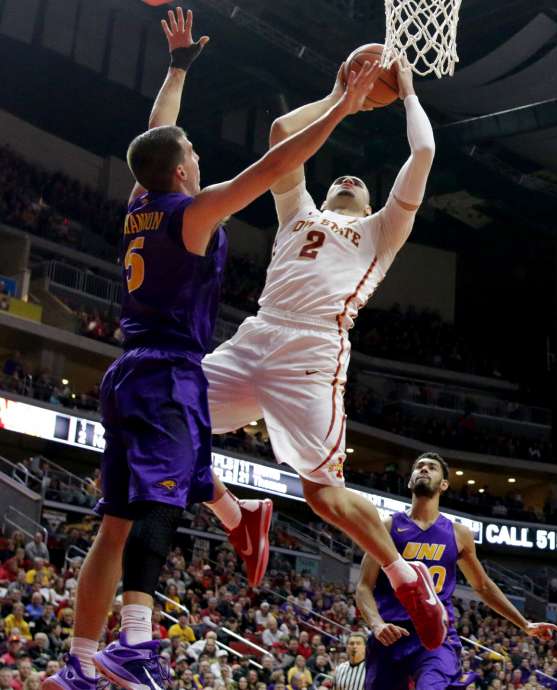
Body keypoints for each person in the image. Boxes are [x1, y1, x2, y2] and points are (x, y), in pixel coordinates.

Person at [40, 8, 379, 690]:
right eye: (192, 152)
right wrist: (342, 105)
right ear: (182, 170)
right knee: (159, 508)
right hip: (168, 373)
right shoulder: (192, 213)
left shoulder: (143, 200)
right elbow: (276, 162)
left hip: (128, 373)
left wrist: (176, 69)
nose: (197, 154)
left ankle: (79, 660)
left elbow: (155, 136)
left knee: (114, 525)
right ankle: (137, 645)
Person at [199, 40, 445, 646]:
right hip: (258, 331)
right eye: (340, 177)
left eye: (359, 183)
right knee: (163, 414)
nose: (349, 179)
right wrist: (341, 97)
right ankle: (240, 517)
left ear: (371, 204)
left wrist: (407, 93)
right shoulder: (297, 211)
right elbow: (284, 131)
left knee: (323, 495)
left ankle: (404, 576)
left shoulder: (383, 230)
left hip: (312, 350)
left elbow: (423, 151)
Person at [355, 453, 557, 689]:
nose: (424, 469)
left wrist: (524, 624)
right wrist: (377, 624)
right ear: (410, 481)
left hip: (436, 638)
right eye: (419, 467)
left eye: (432, 467)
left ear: (444, 485)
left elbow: (483, 586)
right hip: (391, 633)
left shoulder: (458, 534)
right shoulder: (387, 527)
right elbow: (363, 586)